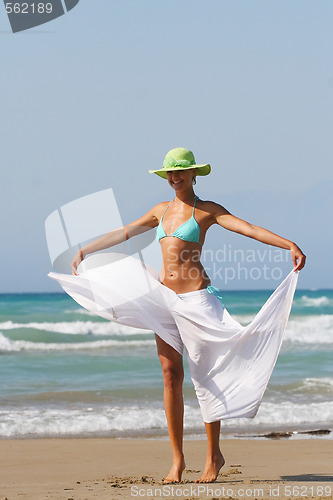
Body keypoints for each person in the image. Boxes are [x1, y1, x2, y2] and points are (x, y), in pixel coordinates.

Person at [67, 147, 306, 484]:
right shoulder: (160, 211)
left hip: (197, 301)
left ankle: (213, 456)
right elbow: (125, 232)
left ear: (195, 174)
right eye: (170, 172)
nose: (175, 177)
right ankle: (177, 460)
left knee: (205, 377)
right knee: (169, 375)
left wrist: (288, 244)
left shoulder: (207, 210)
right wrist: (84, 250)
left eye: (181, 171)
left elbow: (248, 228)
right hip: (165, 300)